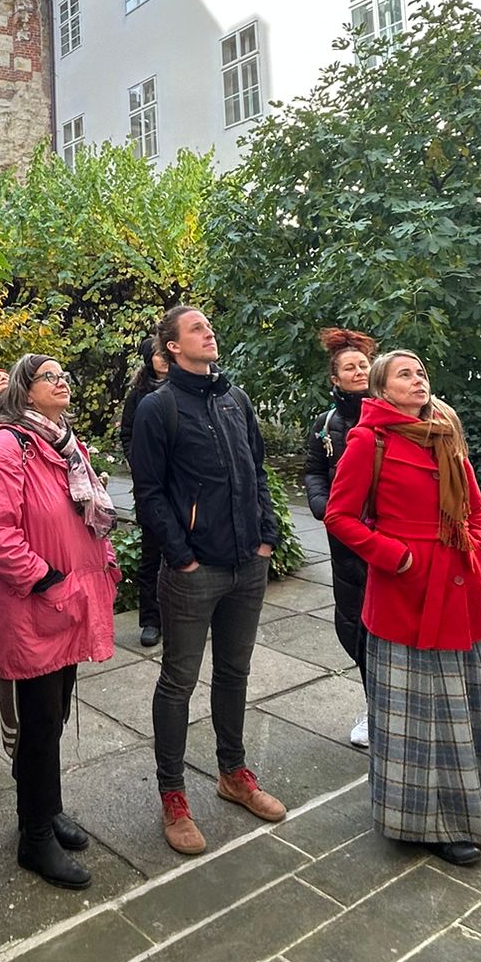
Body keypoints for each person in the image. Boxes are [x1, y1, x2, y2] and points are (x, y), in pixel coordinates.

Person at [324, 348, 481, 867]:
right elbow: (339, 516)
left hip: (459, 589)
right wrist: (397, 558)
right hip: (406, 594)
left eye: (421, 372)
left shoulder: (445, 430)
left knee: (467, 704)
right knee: (418, 716)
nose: (418, 380)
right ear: (381, 389)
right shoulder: (368, 440)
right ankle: (426, 823)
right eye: (404, 374)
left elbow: (475, 507)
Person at [129, 306, 288, 855]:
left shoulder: (234, 399)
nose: (208, 332)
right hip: (195, 572)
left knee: (235, 672)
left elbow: (257, 470)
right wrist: (183, 557)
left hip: (249, 564)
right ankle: (173, 794)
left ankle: (232, 773)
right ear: (172, 346)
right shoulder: (158, 408)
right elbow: (148, 493)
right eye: (196, 328)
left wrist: (267, 536)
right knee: (178, 682)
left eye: (208, 326)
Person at [0, 353, 120, 889]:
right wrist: (44, 577)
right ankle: (33, 837)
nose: (62, 382)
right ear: (25, 390)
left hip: (67, 603)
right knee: (36, 726)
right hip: (32, 608)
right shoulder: (8, 445)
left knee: (52, 718)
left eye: (63, 375)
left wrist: (101, 562)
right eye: (49, 377)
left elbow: (82, 516)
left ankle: (47, 810)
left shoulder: (64, 444)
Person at [303, 328, 378, 749]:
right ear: (335, 379)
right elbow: (314, 469)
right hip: (345, 538)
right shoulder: (326, 424)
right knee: (354, 623)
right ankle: (374, 707)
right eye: (349, 367)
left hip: (388, 535)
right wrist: (322, 504)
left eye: (363, 365)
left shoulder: (390, 413)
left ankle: (404, 706)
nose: (358, 371)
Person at [119, 336, 170, 649]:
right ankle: (151, 620)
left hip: (182, 486)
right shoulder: (138, 394)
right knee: (152, 554)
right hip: (150, 487)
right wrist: (138, 462)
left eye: (165, 353)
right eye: (156, 354)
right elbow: (127, 433)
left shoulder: (184, 388)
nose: (162, 358)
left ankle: (183, 615)